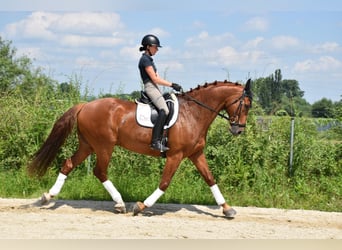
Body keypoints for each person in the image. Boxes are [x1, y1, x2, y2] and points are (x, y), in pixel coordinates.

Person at [138, 34, 182, 152]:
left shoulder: (149, 60)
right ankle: (155, 142)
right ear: (148, 47)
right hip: (150, 87)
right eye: (155, 47)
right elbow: (155, 79)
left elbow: (157, 77)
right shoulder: (145, 60)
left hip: (155, 87)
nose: (157, 49)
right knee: (165, 110)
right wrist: (172, 85)